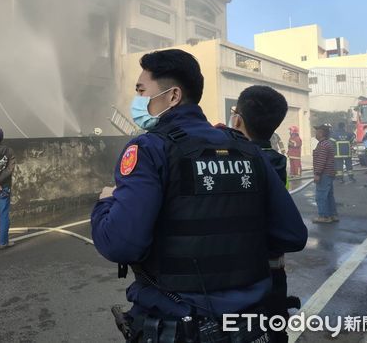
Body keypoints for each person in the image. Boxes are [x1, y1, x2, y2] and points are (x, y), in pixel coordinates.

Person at [91, 49, 308, 342]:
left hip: (178, 325)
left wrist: (106, 203)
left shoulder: (149, 150)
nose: (137, 100)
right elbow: (292, 235)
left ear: (173, 96)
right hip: (252, 326)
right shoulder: (247, 150)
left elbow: (121, 245)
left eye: (142, 91)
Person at [229, 85, 297, 343]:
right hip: (274, 271)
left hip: (240, 275)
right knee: (275, 330)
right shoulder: (277, 162)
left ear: (237, 118)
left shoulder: (232, 161)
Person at [312, 124, 337, 223]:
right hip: (329, 173)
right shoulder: (327, 143)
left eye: (317, 131)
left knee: (321, 195)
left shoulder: (322, 145)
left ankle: (324, 216)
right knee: (329, 195)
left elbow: (321, 160)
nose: (315, 133)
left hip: (324, 174)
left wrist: (317, 174)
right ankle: (332, 215)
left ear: (321, 133)